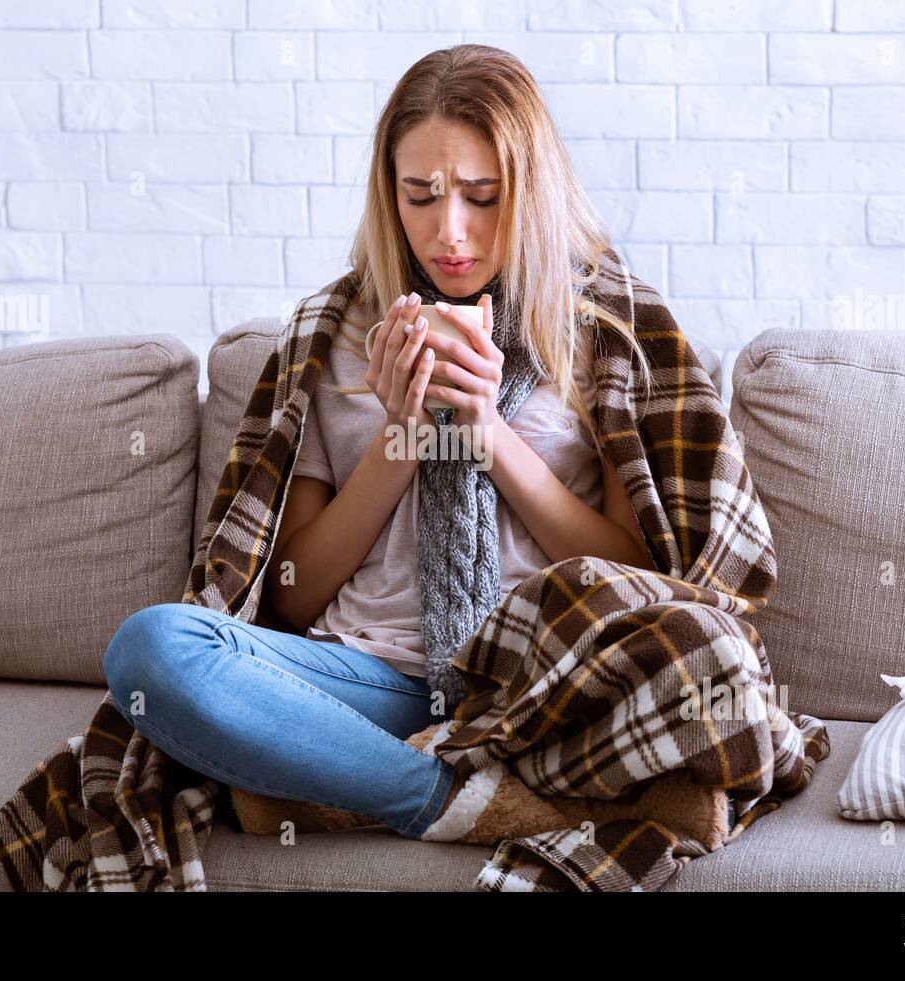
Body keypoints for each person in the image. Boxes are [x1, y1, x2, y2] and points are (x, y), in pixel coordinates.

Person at [103, 44, 662, 841]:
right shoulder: (331, 337)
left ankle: (326, 779)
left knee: (695, 661)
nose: (451, 232)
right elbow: (292, 592)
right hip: (374, 677)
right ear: (387, 193)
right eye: (421, 196)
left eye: (482, 196)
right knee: (149, 651)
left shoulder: (603, 331)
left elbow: (638, 574)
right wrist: (401, 439)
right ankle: (451, 801)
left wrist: (488, 434)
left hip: (541, 679)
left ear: (529, 191)